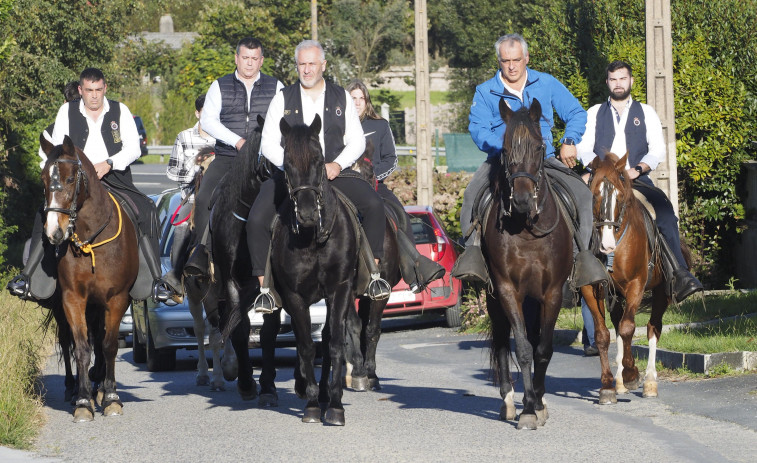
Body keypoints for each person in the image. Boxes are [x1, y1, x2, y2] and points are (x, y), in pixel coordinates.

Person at [451, 33, 607, 289]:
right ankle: (473, 257)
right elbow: (478, 129)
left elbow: (576, 112)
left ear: (526, 58)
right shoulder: (485, 91)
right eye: (505, 61)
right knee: (470, 196)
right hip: (502, 160)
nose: (511, 66)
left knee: (582, 194)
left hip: (542, 160)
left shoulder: (546, 83)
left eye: (516, 60)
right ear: (498, 61)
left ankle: (583, 258)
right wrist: (505, 148)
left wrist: (569, 140)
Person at [7, 68, 176, 302]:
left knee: (146, 209)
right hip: (74, 181)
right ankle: (27, 277)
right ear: (80, 90)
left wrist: (109, 163)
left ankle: (158, 280)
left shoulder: (120, 110)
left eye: (98, 90)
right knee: (44, 212)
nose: (94, 96)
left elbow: (134, 148)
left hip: (114, 178)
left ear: (105, 88)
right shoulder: (67, 111)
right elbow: (56, 149)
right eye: (89, 91)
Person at [247, 40, 389, 311]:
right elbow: (268, 143)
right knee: (255, 219)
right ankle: (266, 290)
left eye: (312, 64)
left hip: (335, 173)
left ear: (323, 65)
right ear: (297, 66)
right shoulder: (283, 98)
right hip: (292, 177)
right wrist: (290, 168)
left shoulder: (341, 97)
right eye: (302, 64)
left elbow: (357, 141)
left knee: (374, 205)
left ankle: (372, 275)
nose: (307, 69)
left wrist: (337, 164)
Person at [576, 60, 703, 304]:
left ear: (631, 81)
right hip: (601, 178)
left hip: (635, 178)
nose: (618, 84)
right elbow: (582, 147)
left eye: (623, 78)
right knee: (575, 215)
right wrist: (598, 169)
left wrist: (637, 169)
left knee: (665, 214)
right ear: (607, 83)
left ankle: (679, 273)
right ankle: (569, 278)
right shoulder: (593, 112)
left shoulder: (646, 112)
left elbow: (656, 150)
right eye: (613, 79)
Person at [177, 37, 283, 280]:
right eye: (245, 58)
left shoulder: (276, 87)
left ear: (261, 61)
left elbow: (281, 121)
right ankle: (202, 254)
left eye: (254, 59)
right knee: (204, 198)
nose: (249, 63)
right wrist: (238, 141)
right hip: (228, 157)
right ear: (236, 59)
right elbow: (208, 121)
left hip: (265, 160)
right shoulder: (219, 86)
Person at [346, 79, 444, 293]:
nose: (357, 103)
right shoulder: (338, 127)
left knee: (400, 214)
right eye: (353, 98)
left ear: (367, 101)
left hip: (374, 184)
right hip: (345, 184)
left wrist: (371, 176)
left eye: (361, 98)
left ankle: (414, 270)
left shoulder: (380, 125)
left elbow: (391, 159)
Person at [161, 94, 216, 296]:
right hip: (192, 199)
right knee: (181, 226)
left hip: (217, 200)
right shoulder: (184, 137)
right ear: (197, 113)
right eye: (205, 113)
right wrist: (197, 172)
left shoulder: (224, 138)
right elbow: (171, 171)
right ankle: (176, 278)